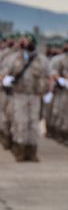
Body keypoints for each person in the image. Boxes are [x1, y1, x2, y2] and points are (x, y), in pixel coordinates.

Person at [0, 33, 49, 162]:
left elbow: (47, 76)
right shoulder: (14, 58)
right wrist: (5, 81)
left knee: (33, 124)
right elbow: (3, 73)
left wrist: (47, 91)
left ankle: (32, 152)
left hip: (35, 96)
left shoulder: (41, 59)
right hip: (19, 95)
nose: (26, 44)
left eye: (28, 41)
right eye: (24, 41)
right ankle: (20, 151)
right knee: (20, 122)